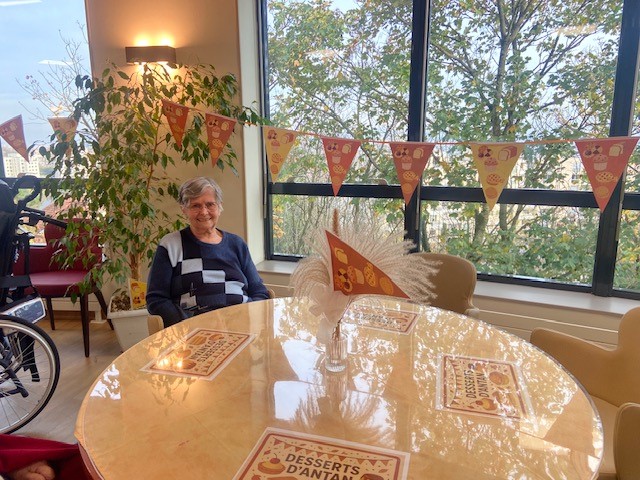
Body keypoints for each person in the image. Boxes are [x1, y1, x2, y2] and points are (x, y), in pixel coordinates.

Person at [146, 176, 270, 327]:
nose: (204, 212)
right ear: (184, 209)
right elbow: (156, 299)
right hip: (195, 331)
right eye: (195, 206)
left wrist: (249, 319)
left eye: (210, 204)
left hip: (241, 325)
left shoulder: (237, 244)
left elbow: (259, 292)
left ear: (219, 207)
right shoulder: (170, 245)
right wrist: (187, 325)